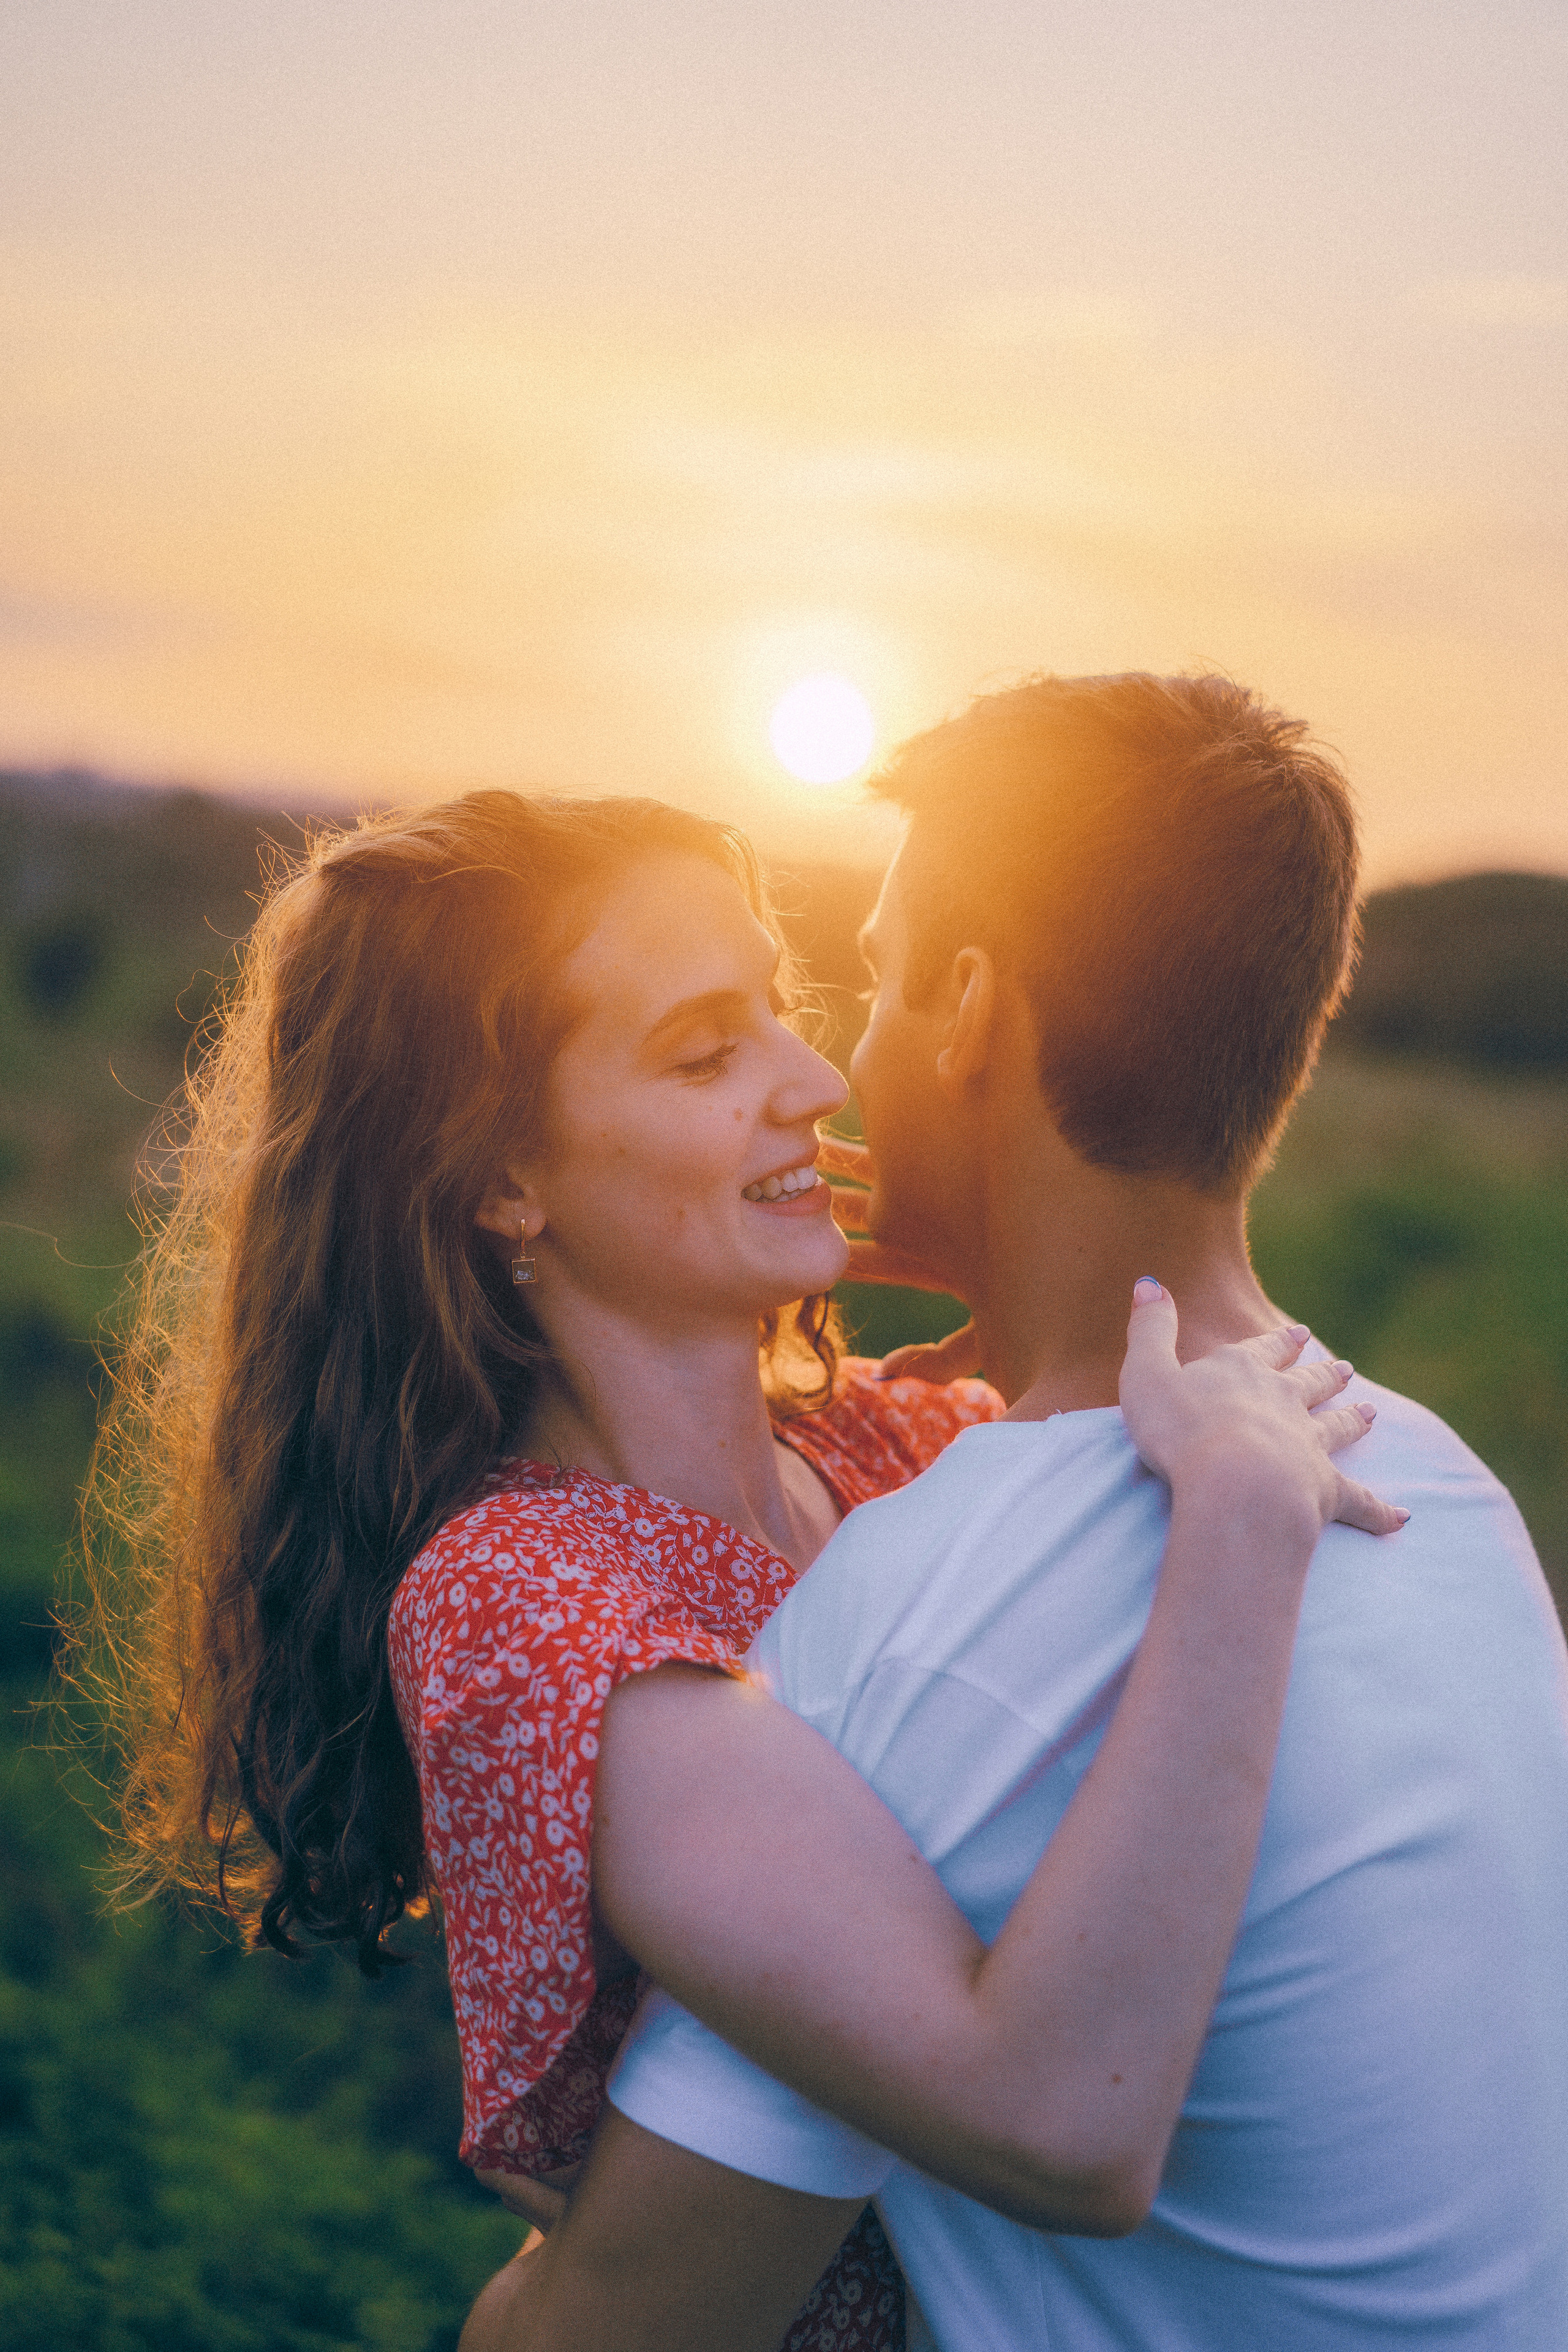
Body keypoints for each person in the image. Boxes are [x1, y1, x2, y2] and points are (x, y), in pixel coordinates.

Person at [77, 781, 1394, 2352]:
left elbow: (1125, 1311)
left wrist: (949, 1233)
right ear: (503, 1176)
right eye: (706, 1054)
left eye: (782, 1012)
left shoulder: (888, 1446)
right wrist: (1240, 1532)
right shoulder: (527, 1607)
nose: (818, 1078)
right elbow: (1059, 2121)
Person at [503, 672, 1568, 2350]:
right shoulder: (1452, 1492)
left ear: (973, 1007)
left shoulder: (924, 1599)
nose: (827, 1071)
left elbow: (628, 2328)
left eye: (864, 986)